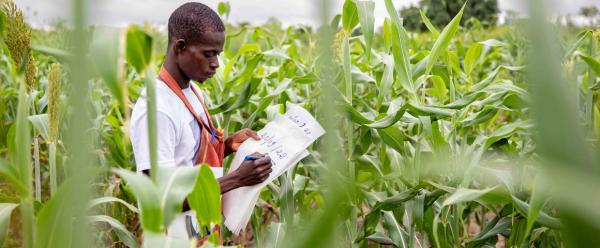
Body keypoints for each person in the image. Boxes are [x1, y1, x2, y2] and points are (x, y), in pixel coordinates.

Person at [129, 2, 272, 239]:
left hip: (198, 231)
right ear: (180, 47)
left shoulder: (191, 91)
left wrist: (230, 145)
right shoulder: (157, 111)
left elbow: (188, 159)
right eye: (209, 54)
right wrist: (237, 179)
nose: (216, 63)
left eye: (218, 54)